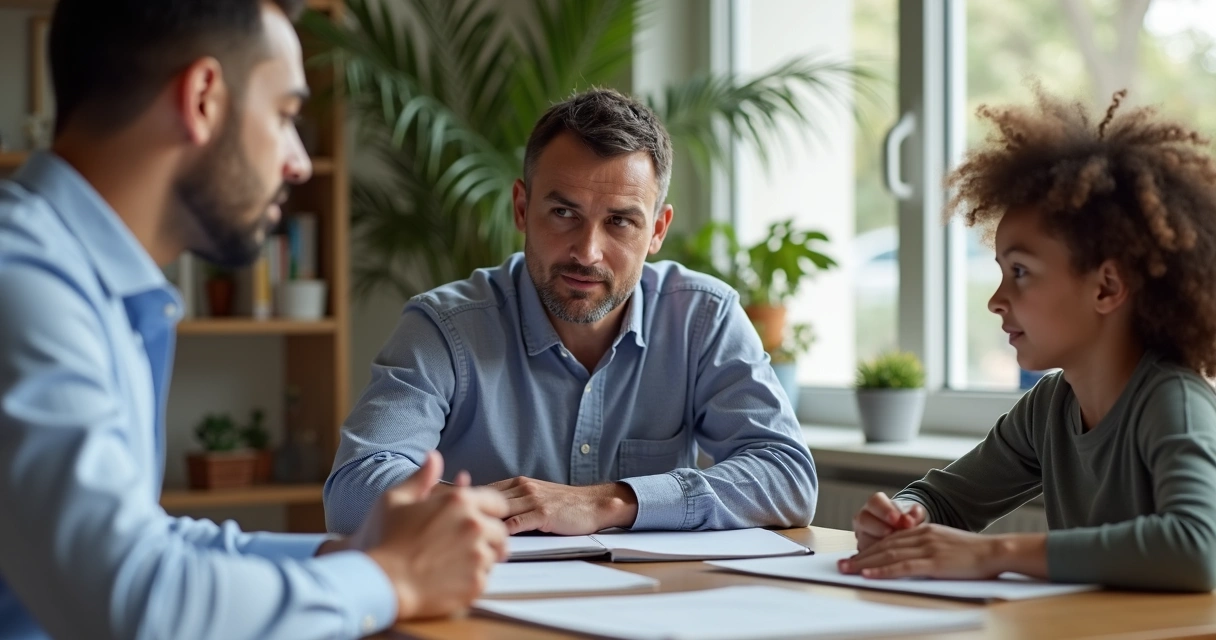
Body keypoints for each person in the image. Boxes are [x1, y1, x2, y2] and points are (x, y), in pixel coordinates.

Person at [0, 2, 508, 638]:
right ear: (204, 99)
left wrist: (352, 555)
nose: (297, 162)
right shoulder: (20, 285)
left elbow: (151, 541)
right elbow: (133, 598)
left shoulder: (85, 282)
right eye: (286, 115)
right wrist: (389, 579)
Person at [325, 88, 817, 536]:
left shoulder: (702, 318)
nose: (588, 252)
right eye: (564, 213)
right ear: (522, 207)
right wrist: (508, 508)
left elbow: (787, 477)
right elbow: (353, 489)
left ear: (658, 230)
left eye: (621, 221)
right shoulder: (444, 327)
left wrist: (610, 502)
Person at [844, 88, 1216, 591]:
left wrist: (993, 553)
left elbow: (1196, 549)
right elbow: (947, 501)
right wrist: (903, 519)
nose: (996, 300)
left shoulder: (1173, 402)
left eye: (1020, 271)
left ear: (1106, 286)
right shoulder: (1049, 407)